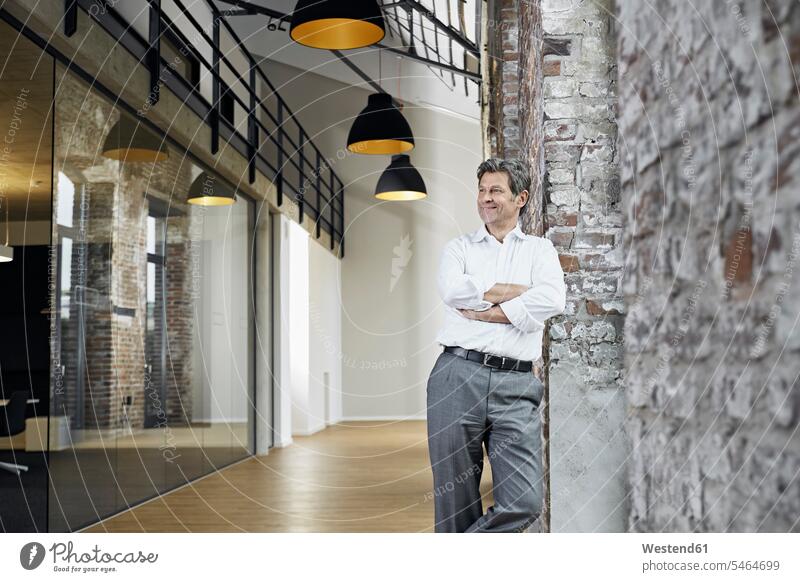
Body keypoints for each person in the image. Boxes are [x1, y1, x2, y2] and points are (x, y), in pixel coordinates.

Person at [426, 157, 567, 532]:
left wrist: (485, 308)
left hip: (517, 384)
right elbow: (454, 292)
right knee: (454, 505)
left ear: (520, 198)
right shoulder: (459, 248)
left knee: (524, 502)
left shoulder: (540, 251)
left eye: (496, 191)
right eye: (483, 190)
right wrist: (515, 295)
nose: (486, 198)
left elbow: (553, 300)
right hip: (456, 376)